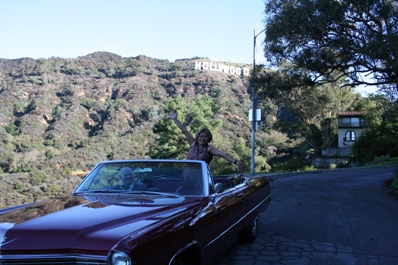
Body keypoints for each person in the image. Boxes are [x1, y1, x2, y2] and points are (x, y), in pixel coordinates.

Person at [169, 110, 244, 173]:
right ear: (198, 137)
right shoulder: (193, 143)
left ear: (209, 139)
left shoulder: (209, 149)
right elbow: (184, 130)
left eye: (205, 137)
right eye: (201, 136)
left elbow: (223, 154)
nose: (202, 138)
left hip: (202, 177)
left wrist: (235, 162)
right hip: (188, 174)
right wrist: (175, 119)